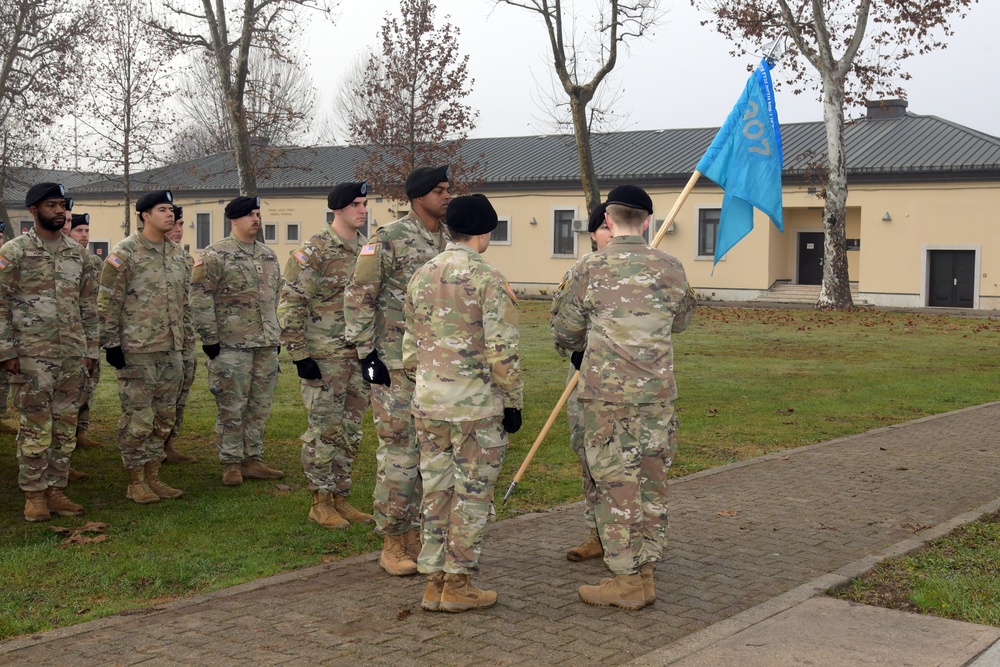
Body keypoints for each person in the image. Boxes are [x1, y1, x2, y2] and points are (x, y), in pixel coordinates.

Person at [550, 185, 696, 610]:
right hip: (656, 396)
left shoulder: (589, 268)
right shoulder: (672, 268)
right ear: (647, 221)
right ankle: (645, 572)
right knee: (651, 484)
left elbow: (564, 331)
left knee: (617, 487)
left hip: (607, 399)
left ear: (609, 222)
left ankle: (627, 580)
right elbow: (682, 321)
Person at [403, 193, 522, 612]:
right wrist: (513, 402)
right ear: (484, 231)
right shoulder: (488, 277)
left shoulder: (422, 274)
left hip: (429, 403)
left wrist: (427, 382)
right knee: (471, 494)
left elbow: (410, 346)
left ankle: (434, 580)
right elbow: (502, 348)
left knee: (436, 490)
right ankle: (458, 583)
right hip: (474, 408)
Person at [344, 164, 449, 576]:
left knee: (431, 452)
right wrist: (366, 353)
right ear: (418, 196)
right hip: (393, 364)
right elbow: (358, 296)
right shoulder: (388, 239)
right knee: (400, 452)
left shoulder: (449, 240)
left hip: (436, 365)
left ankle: (417, 534)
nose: (446, 196)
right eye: (438, 190)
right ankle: (392, 539)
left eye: (447, 190)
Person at [0, 183, 98, 521]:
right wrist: (6, 350)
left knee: (65, 426)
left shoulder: (78, 254)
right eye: (51, 205)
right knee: (35, 425)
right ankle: (34, 495)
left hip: (71, 353)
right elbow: (0, 303)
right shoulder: (13, 252)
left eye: (62, 205)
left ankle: (56, 491)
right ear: (33, 211)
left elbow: (88, 305)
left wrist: (91, 350)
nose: (59, 211)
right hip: (31, 354)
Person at [279, 182, 373, 529]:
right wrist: (299, 354)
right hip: (324, 356)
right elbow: (291, 302)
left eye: (364, 204)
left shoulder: (366, 250)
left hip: (358, 356)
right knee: (324, 430)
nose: (362, 210)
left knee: (351, 431)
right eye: (355, 205)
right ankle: (319, 501)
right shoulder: (314, 250)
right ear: (337, 210)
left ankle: (340, 497)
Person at [99, 189, 188, 504]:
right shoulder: (126, 252)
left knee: (164, 417)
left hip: (171, 349)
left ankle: (153, 476)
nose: (170, 215)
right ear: (145, 215)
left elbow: (185, 302)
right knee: (138, 418)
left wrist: (186, 342)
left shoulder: (179, 255)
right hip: (137, 349)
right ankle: (136, 481)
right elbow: (107, 299)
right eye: (162, 209)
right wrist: (111, 343)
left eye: (171, 210)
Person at [190, 196, 283, 487]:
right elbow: (200, 296)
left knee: (259, 405)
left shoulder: (268, 255)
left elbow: (275, 296)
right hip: (231, 345)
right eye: (249, 215)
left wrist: (275, 332)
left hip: (265, 343)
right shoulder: (215, 254)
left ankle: (252, 458)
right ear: (234, 220)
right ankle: (231, 462)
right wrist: (210, 338)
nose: (255, 219)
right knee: (232, 405)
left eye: (257, 214)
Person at [557, 203, 612, 562]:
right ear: (592, 234)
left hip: (632, 386)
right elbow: (562, 327)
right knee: (590, 458)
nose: (610, 234)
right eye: (603, 228)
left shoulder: (648, 272)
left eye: (614, 226)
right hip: (587, 381)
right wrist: (577, 352)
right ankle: (597, 532)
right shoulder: (581, 273)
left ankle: (627, 539)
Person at [161, 205, 196, 464]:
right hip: (156, 341)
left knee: (180, 394)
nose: (178, 229)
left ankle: (168, 442)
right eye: (174, 224)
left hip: (184, 338)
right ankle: (148, 450)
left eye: (182, 224)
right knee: (156, 398)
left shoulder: (185, 259)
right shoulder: (134, 253)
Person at [66, 213, 103, 451]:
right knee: (68, 391)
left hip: (90, 334)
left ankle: (81, 430)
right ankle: (66, 437)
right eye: (79, 230)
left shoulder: (95, 262)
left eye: (87, 231)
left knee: (89, 384)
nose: (84, 235)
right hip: (68, 336)